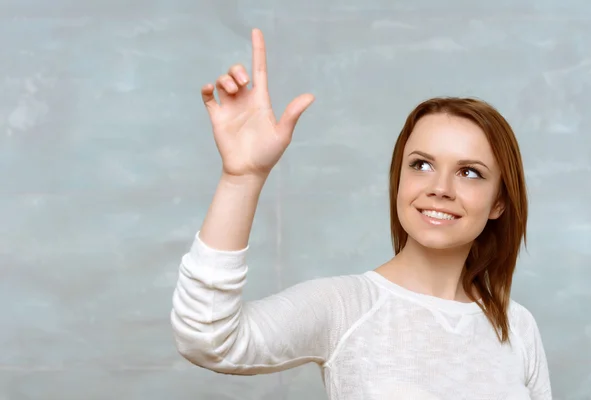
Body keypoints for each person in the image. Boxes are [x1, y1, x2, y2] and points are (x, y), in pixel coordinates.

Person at [170, 28, 552, 400]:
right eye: (421, 165)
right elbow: (209, 339)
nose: (440, 188)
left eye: (469, 172)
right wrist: (242, 178)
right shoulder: (344, 306)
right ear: (398, 179)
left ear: (499, 202)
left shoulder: (517, 328)